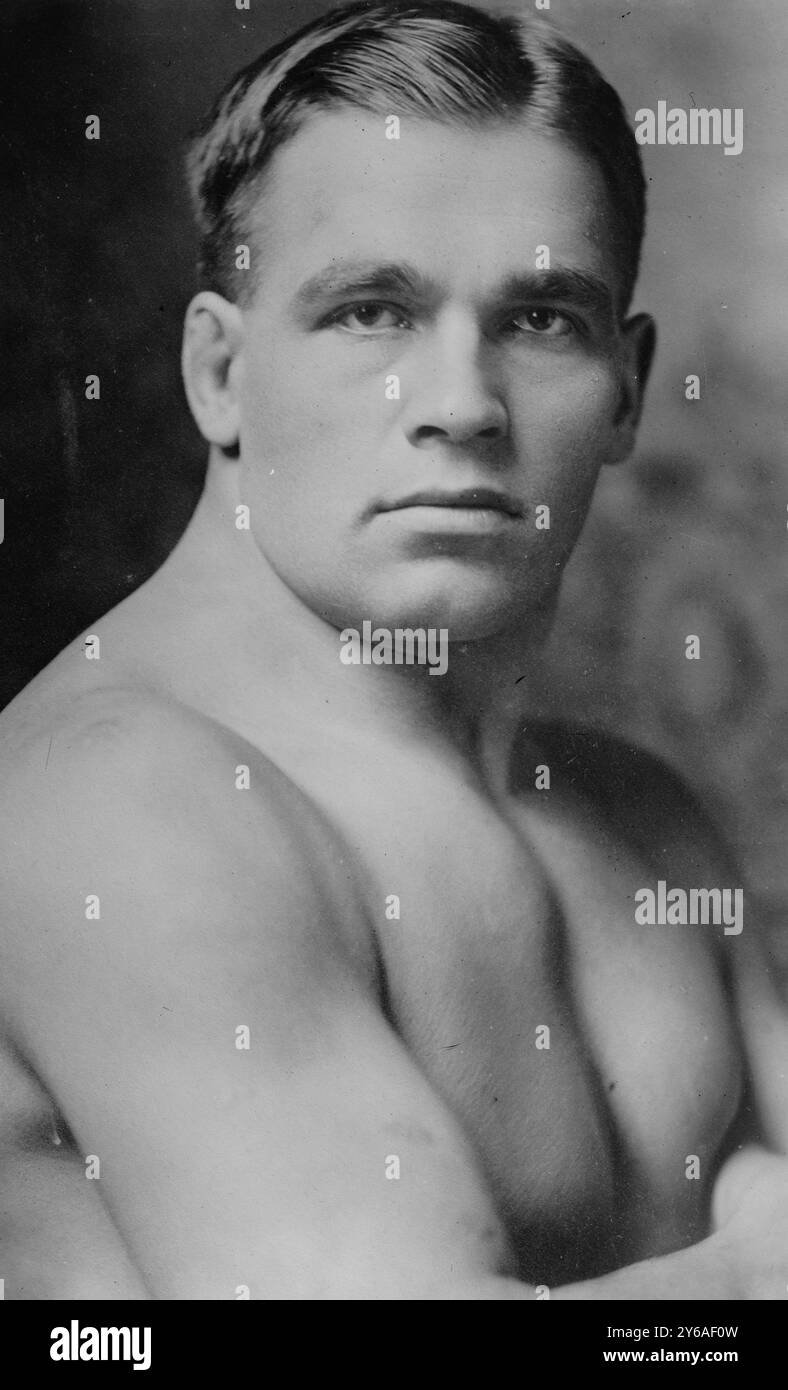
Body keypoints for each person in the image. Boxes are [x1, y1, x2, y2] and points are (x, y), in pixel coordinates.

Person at [0, 0, 785, 1301]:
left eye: (541, 320)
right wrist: (753, 1275)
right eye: (373, 312)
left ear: (629, 390)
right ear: (217, 373)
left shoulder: (644, 819)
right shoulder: (115, 804)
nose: (461, 407)